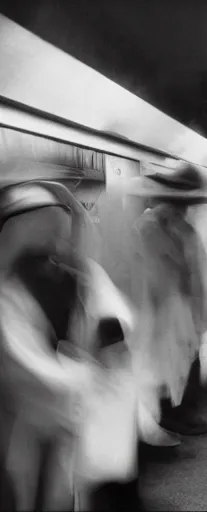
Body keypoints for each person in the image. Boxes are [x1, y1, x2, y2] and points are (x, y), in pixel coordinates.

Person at [0, 180, 141, 510]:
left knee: (85, 481)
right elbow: (23, 355)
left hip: (84, 409)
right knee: (39, 488)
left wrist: (110, 333)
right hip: (36, 415)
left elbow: (112, 311)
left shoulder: (82, 273)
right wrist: (85, 374)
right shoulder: (9, 291)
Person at [126, 163, 207, 436]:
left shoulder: (181, 226)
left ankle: (183, 409)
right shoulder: (149, 226)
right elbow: (154, 270)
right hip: (163, 305)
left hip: (182, 304)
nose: (189, 208)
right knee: (166, 362)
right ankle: (173, 414)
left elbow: (194, 270)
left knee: (187, 357)